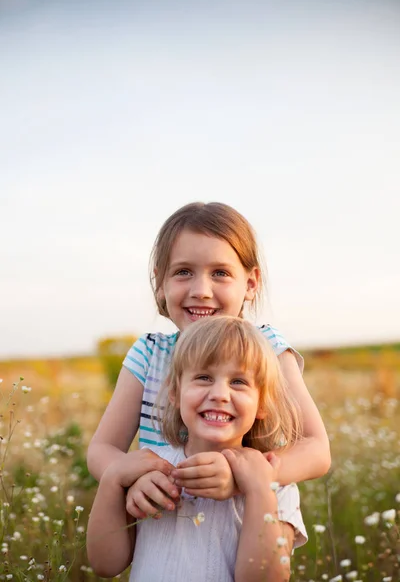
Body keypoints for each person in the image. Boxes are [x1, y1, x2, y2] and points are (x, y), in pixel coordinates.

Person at [87, 201, 330, 515]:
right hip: (165, 527)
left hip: (250, 528)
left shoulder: (267, 347)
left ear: (251, 283)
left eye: (220, 273)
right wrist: (133, 476)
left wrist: (248, 477)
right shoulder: (149, 353)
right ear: (160, 282)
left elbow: (316, 448)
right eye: (184, 272)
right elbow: (101, 449)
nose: (201, 290)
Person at [87, 316, 308, 581]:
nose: (220, 394)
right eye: (203, 377)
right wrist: (112, 479)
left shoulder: (274, 482)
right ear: (175, 392)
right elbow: (105, 565)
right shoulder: (149, 474)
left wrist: (259, 491)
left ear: (262, 403)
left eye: (238, 382)